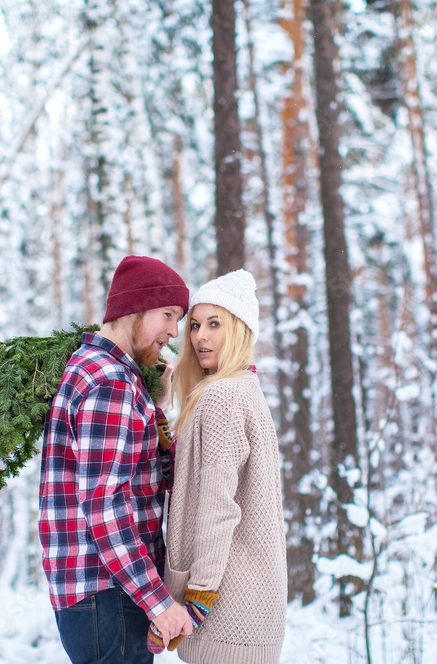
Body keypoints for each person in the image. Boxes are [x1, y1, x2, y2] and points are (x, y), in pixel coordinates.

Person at [39, 255, 196, 664]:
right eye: (167, 314)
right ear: (134, 307)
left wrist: (155, 406)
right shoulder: (110, 382)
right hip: (109, 594)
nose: (173, 332)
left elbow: (142, 475)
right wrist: (158, 602)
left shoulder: (97, 370)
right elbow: (105, 506)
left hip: (99, 595)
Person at [153, 269, 288, 663]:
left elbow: (217, 506)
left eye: (215, 324)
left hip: (227, 605)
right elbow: (191, 473)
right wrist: (162, 413)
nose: (200, 337)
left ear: (241, 330)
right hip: (255, 602)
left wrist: (198, 596)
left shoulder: (222, 397)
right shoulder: (245, 388)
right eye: (195, 325)